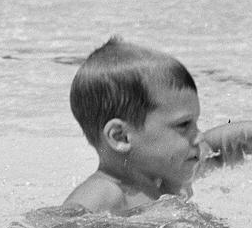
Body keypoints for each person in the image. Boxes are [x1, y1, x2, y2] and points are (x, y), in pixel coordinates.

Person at [62, 37, 251, 216]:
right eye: (184, 125)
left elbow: (223, 149)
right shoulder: (105, 194)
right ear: (121, 137)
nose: (199, 136)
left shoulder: (167, 173)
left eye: (196, 123)